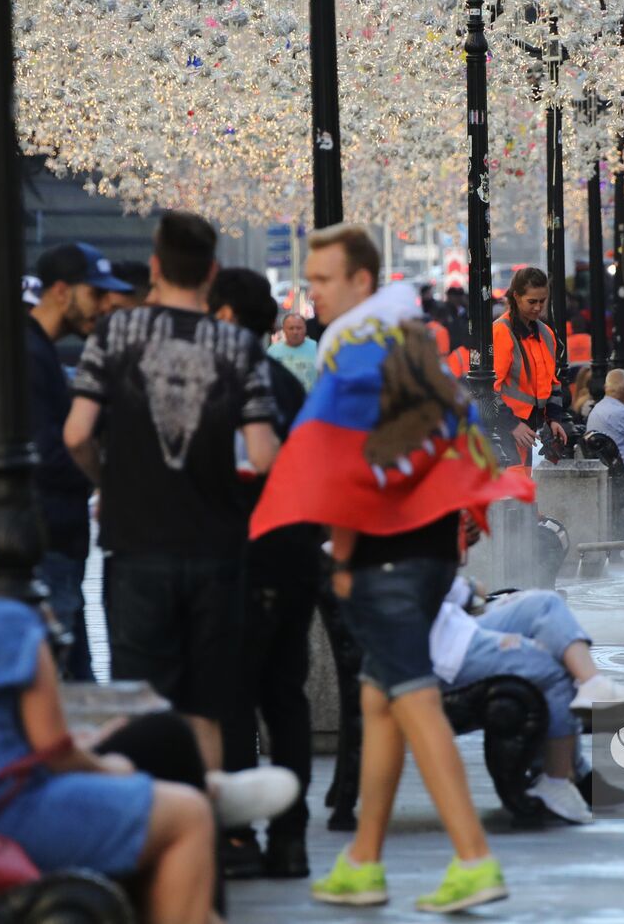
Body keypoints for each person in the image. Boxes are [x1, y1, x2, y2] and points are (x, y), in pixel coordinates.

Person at [249, 223, 534, 913]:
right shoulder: (409, 344)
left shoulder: (351, 358)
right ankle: (363, 860)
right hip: (429, 550)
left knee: (411, 698)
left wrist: (341, 556)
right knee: (381, 700)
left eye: (323, 279)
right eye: (309, 279)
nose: (310, 291)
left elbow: (339, 468)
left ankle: (473, 858)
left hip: (383, 559)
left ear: (361, 283)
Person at [0, 486, 219, 924]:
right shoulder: (7, 621)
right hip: (0, 821)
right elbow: (55, 749)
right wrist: (115, 768)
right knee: (188, 814)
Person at [63, 211, 280, 774]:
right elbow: (263, 454)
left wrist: (111, 480)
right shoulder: (237, 346)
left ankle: (161, 834)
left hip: (136, 544)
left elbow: (76, 433)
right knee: (207, 707)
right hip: (215, 546)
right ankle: (207, 833)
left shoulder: (115, 334)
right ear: (211, 272)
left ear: (156, 266)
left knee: (145, 705)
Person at [210, 269, 322, 879]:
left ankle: (237, 838)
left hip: (245, 558)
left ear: (224, 317)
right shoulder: (285, 381)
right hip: (295, 557)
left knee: (234, 699)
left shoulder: (226, 380)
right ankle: (290, 836)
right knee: (286, 700)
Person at [431, 580, 624, 823]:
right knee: (549, 663)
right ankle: (561, 777)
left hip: (449, 624)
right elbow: (438, 586)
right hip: (435, 647)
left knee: (545, 604)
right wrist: (468, 588)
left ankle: (592, 685)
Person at [30, 243, 133, 682]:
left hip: (56, 533)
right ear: (60, 291)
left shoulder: (39, 350)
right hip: (47, 533)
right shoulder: (29, 353)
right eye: (94, 293)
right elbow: (46, 451)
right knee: (64, 677)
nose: (104, 304)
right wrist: (100, 477)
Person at [492, 266, 569, 468]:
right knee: (516, 490)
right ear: (516, 297)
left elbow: (552, 382)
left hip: (529, 430)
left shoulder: (545, 333)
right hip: (508, 431)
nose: (538, 307)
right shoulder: (502, 331)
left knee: (524, 490)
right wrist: (512, 425)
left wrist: (554, 419)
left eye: (542, 301)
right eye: (532, 302)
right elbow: (490, 389)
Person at [267, 312, 320, 392]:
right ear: (284, 330)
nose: (295, 332)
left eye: (299, 328)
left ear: (305, 329)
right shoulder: (272, 351)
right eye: (291, 328)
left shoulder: (318, 348)